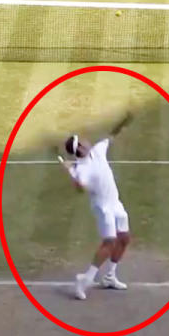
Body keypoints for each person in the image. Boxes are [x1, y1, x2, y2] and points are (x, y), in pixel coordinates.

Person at [58, 114, 134, 300]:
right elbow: (79, 190)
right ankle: (85, 280)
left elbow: (111, 136)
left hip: (116, 203)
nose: (87, 140)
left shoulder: (98, 150)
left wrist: (123, 121)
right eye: (83, 141)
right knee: (109, 242)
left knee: (124, 238)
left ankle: (109, 276)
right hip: (103, 208)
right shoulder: (81, 170)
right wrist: (71, 173)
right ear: (80, 149)